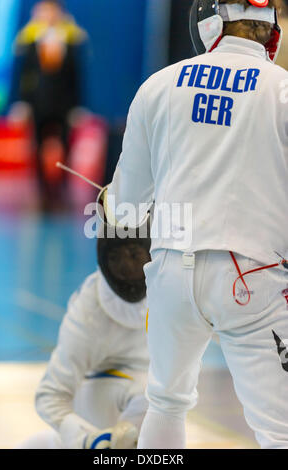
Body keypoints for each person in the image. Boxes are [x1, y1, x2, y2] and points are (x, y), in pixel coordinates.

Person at [106, 0, 288, 449]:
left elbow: (126, 211)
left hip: (169, 275)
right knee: (279, 431)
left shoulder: (159, 85)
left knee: (166, 403)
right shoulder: (283, 90)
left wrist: (108, 200)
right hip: (254, 280)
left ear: (208, 27)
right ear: (271, 33)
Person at [18, 220, 151, 449]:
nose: (126, 267)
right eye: (115, 258)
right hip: (98, 398)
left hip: (146, 401)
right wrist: (87, 441)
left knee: (161, 392)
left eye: (134, 254)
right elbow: (50, 395)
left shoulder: (172, 291)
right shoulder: (89, 310)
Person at [15, 0, 87, 209]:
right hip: (38, 104)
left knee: (66, 145)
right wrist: (23, 102)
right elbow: (24, 75)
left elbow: (77, 76)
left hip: (63, 104)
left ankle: (62, 189)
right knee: (36, 145)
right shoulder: (28, 41)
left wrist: (77, 106)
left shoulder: (73, 40)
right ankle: (42, 191)